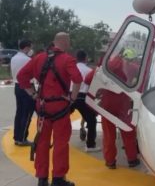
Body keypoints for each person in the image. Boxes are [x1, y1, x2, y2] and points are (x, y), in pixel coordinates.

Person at [17, 32, 82, 186]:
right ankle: (58, 178)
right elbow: (78, 79)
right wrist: (72, 98)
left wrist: (33, 95)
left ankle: (42, 178)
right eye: (69, 42)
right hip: (60, 107)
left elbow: (21, 77)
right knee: (60, 143)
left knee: (42, 143)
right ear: (65, 42)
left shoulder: (39, 58)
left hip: (43, 107)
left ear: (54, 42)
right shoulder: (68, 59)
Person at [85, 48, 140, 169]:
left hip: (107, 103)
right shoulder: (134, 67)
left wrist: (100, 88)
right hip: (124, 103)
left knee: (109, 135)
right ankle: (132, 159)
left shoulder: (107, 66)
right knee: (128, 132)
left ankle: (110, 161)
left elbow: (87, 79)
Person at [70, 50, 100, 152]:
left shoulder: (71, 69)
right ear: (86, 58)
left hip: (70, 96)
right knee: (92, 121)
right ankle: (90, 145)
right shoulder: (89, 71)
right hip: (83, 97)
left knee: (62, 118)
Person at [10, 39, 35, 146]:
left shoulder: (13, 58)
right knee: (27, 113)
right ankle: (22, 138)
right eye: (30, 47)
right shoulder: (27, 60)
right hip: (27, 87)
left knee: (19, 112)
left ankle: (17, 137)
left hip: (17, 86)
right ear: (27, 47)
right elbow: (33, 75)